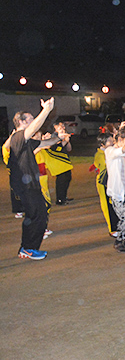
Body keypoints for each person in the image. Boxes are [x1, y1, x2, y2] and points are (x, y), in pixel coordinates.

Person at [8, 98, 56, 260]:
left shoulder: (27, 141)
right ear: (21, 122)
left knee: (39, 214)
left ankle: (28, 247)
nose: (33, 120)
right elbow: (36, 126)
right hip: (24, 186)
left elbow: (45, 143)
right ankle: (28, 248)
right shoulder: (18, 137)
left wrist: (59, 137)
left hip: (31, 185)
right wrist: (46, 110)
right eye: (29, 118)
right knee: (35, 215)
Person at [92, 133, 120, 236]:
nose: (112, 142)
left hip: (111, 181)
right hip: (104, 182)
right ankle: (112, 229)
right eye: (109, 140)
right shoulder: (100, 155)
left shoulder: (107, 152)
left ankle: (117, 225)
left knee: (114, 204)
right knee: (107, 206)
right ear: (102, 144)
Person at [48, 121, 74, 205]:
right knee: (61, 181)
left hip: (64, 162)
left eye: (63, 126)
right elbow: (57, 148)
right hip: (58, 162)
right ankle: (60, 199)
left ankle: (64, 197)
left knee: (67, 178)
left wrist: (67, 140)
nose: (63, 128)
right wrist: (64, 140)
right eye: (60, 127)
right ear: (55, 128)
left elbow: (69, 149)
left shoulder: (63, 136)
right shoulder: (54, 136)